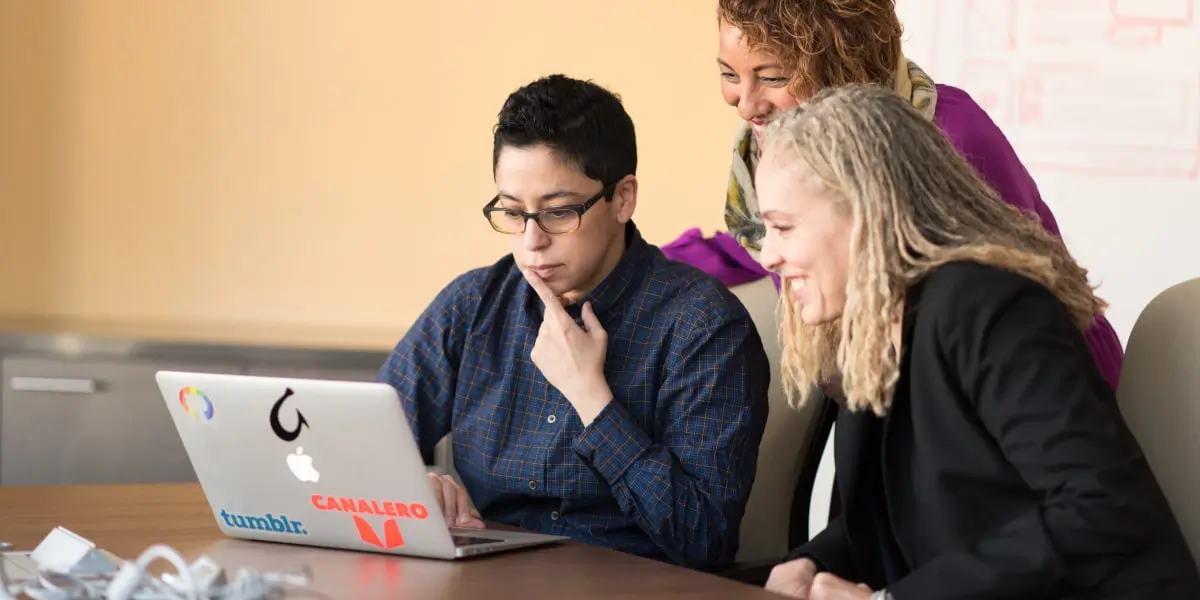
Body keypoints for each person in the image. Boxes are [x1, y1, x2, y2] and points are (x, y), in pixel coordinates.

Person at [753, 83, 1200, 600]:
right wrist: (808, 563)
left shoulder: (993, 307)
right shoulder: (873, 325)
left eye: (783, 228)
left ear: (865, 213)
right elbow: (889, 518)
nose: (768, 256)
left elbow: (1099, 506)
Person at [375, 74, 771, 572]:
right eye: (513, 213)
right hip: (487, 581)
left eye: (559, 213)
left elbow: (702, 538)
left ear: (623, 198)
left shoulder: (702, 326)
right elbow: (365, 445)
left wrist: (591, 397)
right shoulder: (474, 305)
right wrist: (414, 486)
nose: (532, 242)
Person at [714, 0, 1124, 390]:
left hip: (1040, 393)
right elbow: (770, 245)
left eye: (772, 77)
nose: (745, 106)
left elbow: (1016, 309)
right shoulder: (771, 153)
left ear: (841, 64)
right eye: (729, 75)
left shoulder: (948, 136)